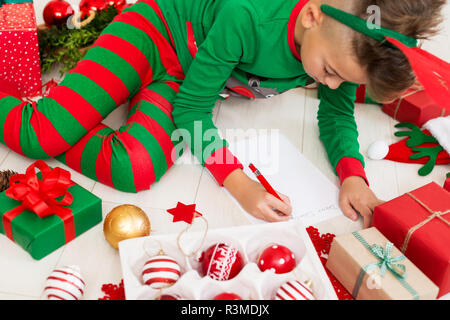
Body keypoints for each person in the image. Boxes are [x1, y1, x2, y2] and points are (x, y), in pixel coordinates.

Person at [0, 0, 446, 227]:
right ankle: (50, 110)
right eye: (328, 72)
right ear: (310, 15)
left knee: (135, 168)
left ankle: (75, 112)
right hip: (154, 35)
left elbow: (335, 115)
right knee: (37, 134)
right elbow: (194, 109)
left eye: (342, 80)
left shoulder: (348, 49)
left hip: (186, 78)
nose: (330, 85)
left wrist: (352, 174)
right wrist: (238, 183)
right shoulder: (248, 15)